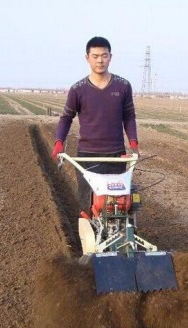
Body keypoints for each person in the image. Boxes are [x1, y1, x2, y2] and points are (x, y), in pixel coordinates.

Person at [51, 36, 139, 214]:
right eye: (95, 56)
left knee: (118, 205)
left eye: (104, 56)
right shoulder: (78, 89)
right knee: (89, 205)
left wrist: (133, 142)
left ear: (110, 57)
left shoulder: (123, 86)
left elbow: (129, 116)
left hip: (115, 155)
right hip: (87, 157)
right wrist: (59, 142)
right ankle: (88, 229)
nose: (100, 60)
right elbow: (66, 117)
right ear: (87, 58)